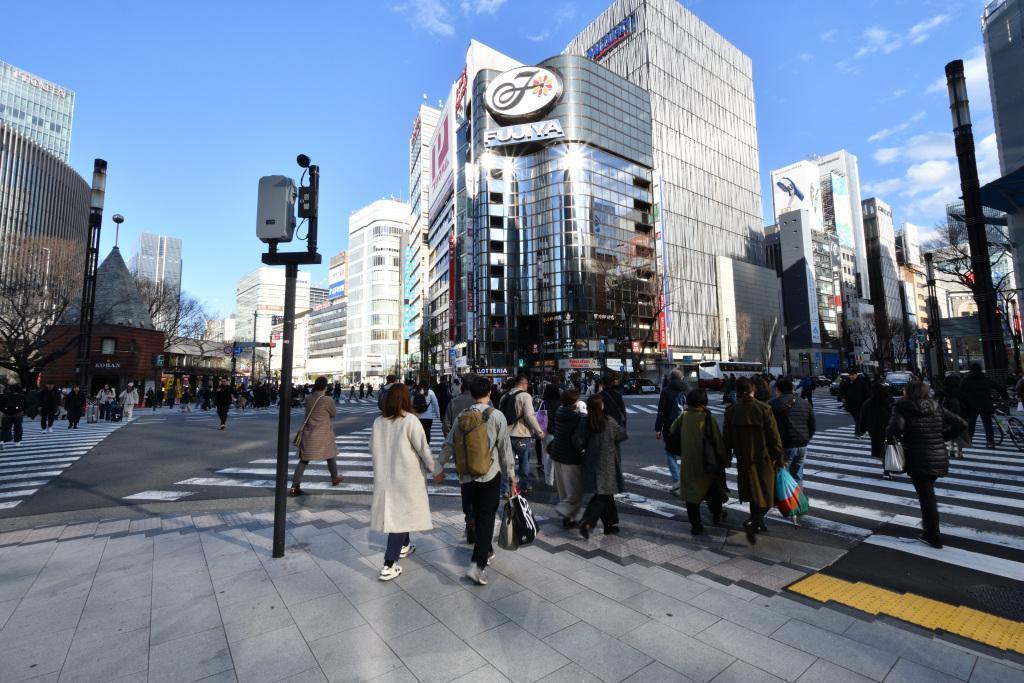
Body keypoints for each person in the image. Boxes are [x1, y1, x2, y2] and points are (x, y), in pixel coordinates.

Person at [438, 376, 516, 585]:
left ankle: (485, 549)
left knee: (473, 513)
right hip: (489, 474)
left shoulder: (462, 415)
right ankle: (477, 565)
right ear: (489, 393)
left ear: (471, 394)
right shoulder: (496, 415)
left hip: (466, 476)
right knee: (486, 516)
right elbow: (505, 450)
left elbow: (448, 444)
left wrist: (438, 467)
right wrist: (511, 476)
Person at [368, 383, 438, 580]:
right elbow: (423, 449)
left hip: (386, 476)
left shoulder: (378, 421)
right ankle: (389, 564)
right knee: (399, 516)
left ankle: (404, 545)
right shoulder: (410, 421)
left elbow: (372, 448)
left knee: (400, 511)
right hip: (406, 476)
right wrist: (435, 469)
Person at [887, 380, 967, 549]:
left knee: (926, 497)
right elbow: (961, 424)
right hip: (937, 455)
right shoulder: (935, 406)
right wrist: (942, 437)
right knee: (928, 494)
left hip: (917, 456)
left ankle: (933, 535)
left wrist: (901, 438)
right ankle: (931, 532)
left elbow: (895, 429)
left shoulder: (902, 407)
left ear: (907, 392)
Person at [723, 377, 784, 545]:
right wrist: (779, 458)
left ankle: (758, 523)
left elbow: (726, 438)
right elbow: (774, 437)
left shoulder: (731, 411)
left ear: (736, 391)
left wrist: (726, 457)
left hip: (742, 457)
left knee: (751, 490)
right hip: (763, 458)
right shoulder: (764, 409)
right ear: (753, 390)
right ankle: (754, 521)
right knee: (767, 492)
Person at [670, 388, 729, 535]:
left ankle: (696, 525)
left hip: (689, 462)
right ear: (704, 402)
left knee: (691, 496)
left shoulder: (685, 416)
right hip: (707, 463)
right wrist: (724, 459)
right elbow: (718, 442)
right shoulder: (708, 418)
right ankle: (716, 515)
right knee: (713, 491)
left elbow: (672, 428)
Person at [572, 394, 627, 539]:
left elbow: (577, 441)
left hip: (591, 462)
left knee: (605, 493)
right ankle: (587, 522)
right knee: (603, 494)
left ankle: (611, 524)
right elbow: (622, 435)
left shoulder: (585, 422)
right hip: (608, 462)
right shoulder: (609, 421)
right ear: (601, 406)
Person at [290, 377, 344, 496]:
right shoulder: (327, 400)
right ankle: (334, 478)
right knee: (330, 455)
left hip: (309, 433)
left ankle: (295, 486)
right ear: (325, 386)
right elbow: (333, 413)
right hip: (323, 433)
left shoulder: (309, 398)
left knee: (304, 460)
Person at [499, 375, 545, 494]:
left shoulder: (504, 396)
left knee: (507, 463)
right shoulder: (525, 396)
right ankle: (524, 485)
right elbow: (529, 416)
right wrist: (539, 431)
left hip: (506, 435)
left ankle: (505, 488)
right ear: (523, 384)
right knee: (524, 461)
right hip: (522, 434)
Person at [548, 389, 586, 527]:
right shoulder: (576, 417)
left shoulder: (560, 412)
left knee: (564, 490)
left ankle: (568, 519)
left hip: (557, 454)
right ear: (574, 403)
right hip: (570, 456)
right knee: (576, 490)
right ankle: (564, 511)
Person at [768, 378, 816, 485]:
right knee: (798, 475)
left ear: (778, 390)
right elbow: (812, 426)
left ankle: (786, 501)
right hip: (802, 444)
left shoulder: (773, 403)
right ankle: (798, 500)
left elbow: (768, 426)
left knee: (782, 476)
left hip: (785, 444)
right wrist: (806, 438)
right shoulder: (804, 403)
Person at [654, 369, 688, 493]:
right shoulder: (687, 390)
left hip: (670, 427)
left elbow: (661, 411)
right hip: (686, 426)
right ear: (682, 378)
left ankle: (677, 481)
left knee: (670, 453)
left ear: (670, 378)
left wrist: (658, 428)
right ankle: (688, 480)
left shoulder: (666, 391)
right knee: (686, 453)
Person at [960, 363, 1007, 449]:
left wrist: (962, 402)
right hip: (986, 404)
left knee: (971, 423)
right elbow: (998, 387)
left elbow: (960, 392)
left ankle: (969, 440)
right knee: (988, 424)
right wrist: (1005, 397)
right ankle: (990, 442)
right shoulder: (985, 379)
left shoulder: (966, 380)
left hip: (971, 405)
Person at [857, 383, 895, 479]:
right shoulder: (889, 401)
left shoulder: (868, 403)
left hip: (874, 430)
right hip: (888, 428)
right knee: (889, 448)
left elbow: (863, 418)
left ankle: (886, 468)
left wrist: (862, 429)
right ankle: (890, 467)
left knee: (880, 450)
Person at [935, 374, 970, 459]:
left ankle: (951, 449)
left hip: (945, 417)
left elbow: (935, 403)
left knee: (948, 432)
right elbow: (968, 405)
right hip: (960, 416)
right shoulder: (961, 393)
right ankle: (959, 452)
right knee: (960, 433)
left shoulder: (940, 392)